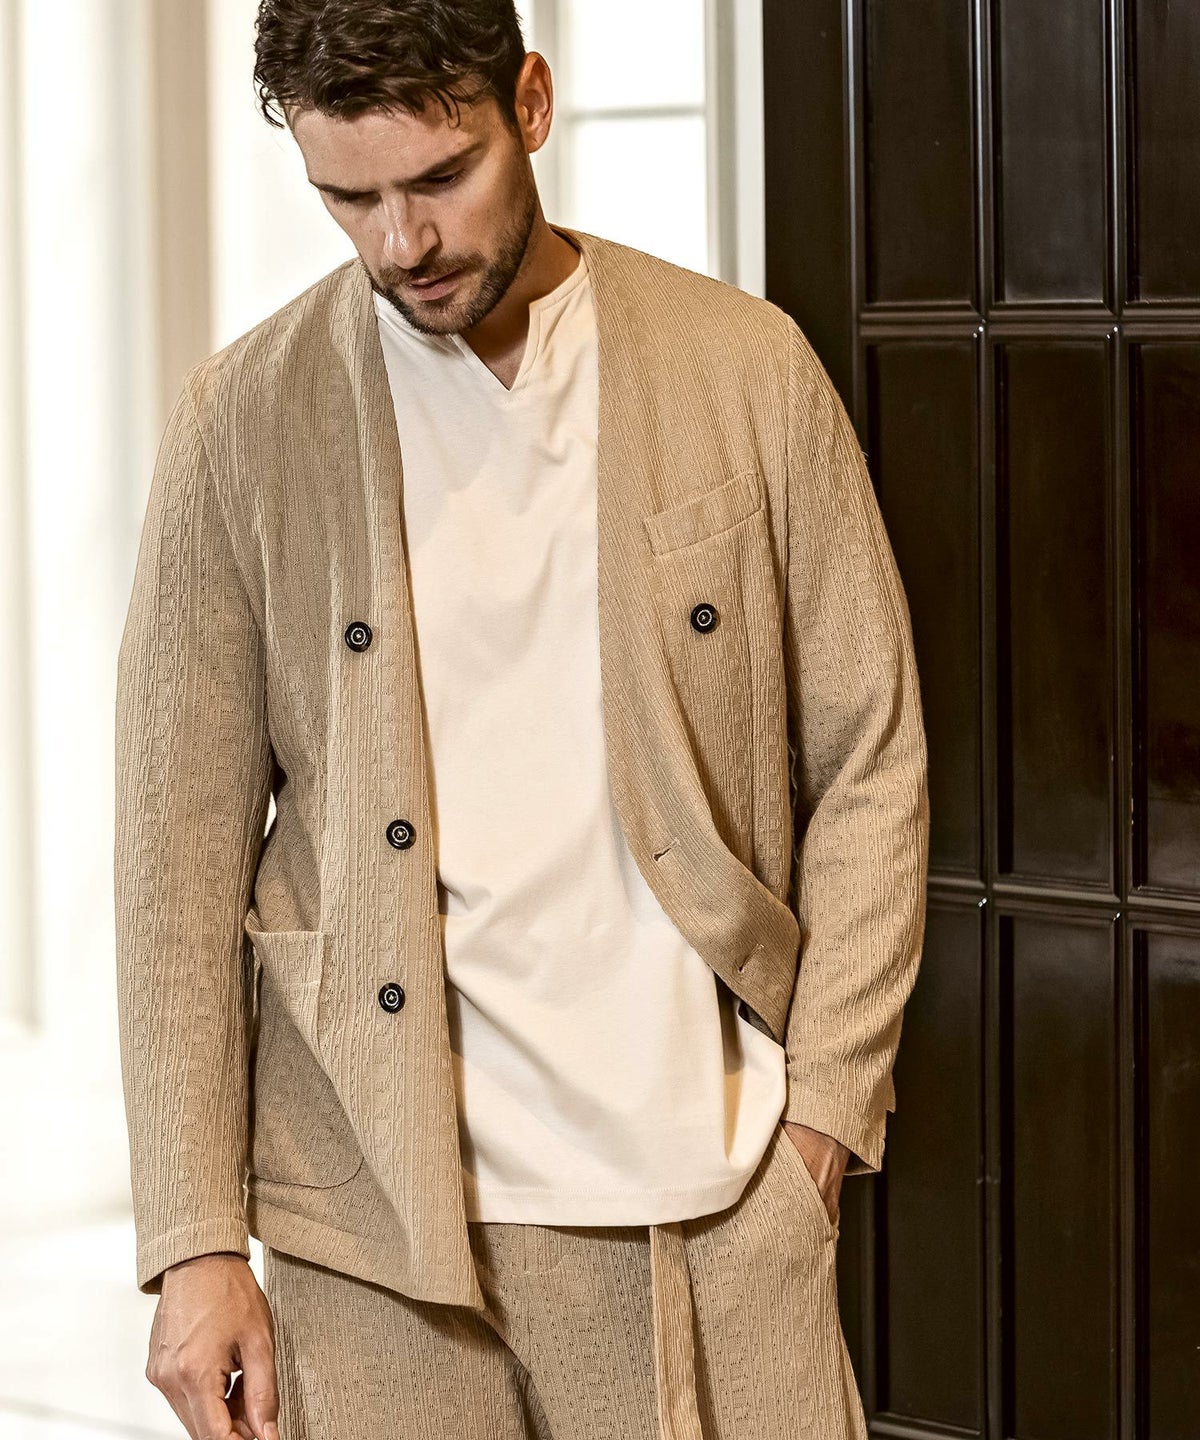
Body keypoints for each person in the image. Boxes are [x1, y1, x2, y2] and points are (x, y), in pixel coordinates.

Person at [113, 3, 929, 1437]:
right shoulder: (239, 423)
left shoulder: (745, 371)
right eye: (348, 198)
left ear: (531, 104)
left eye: (442, 178)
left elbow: (869, 753)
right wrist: (192, 1241)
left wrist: (825, 1113)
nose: (402, 242)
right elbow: (173, 855)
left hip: (712, 1197)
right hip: (368, 1228)